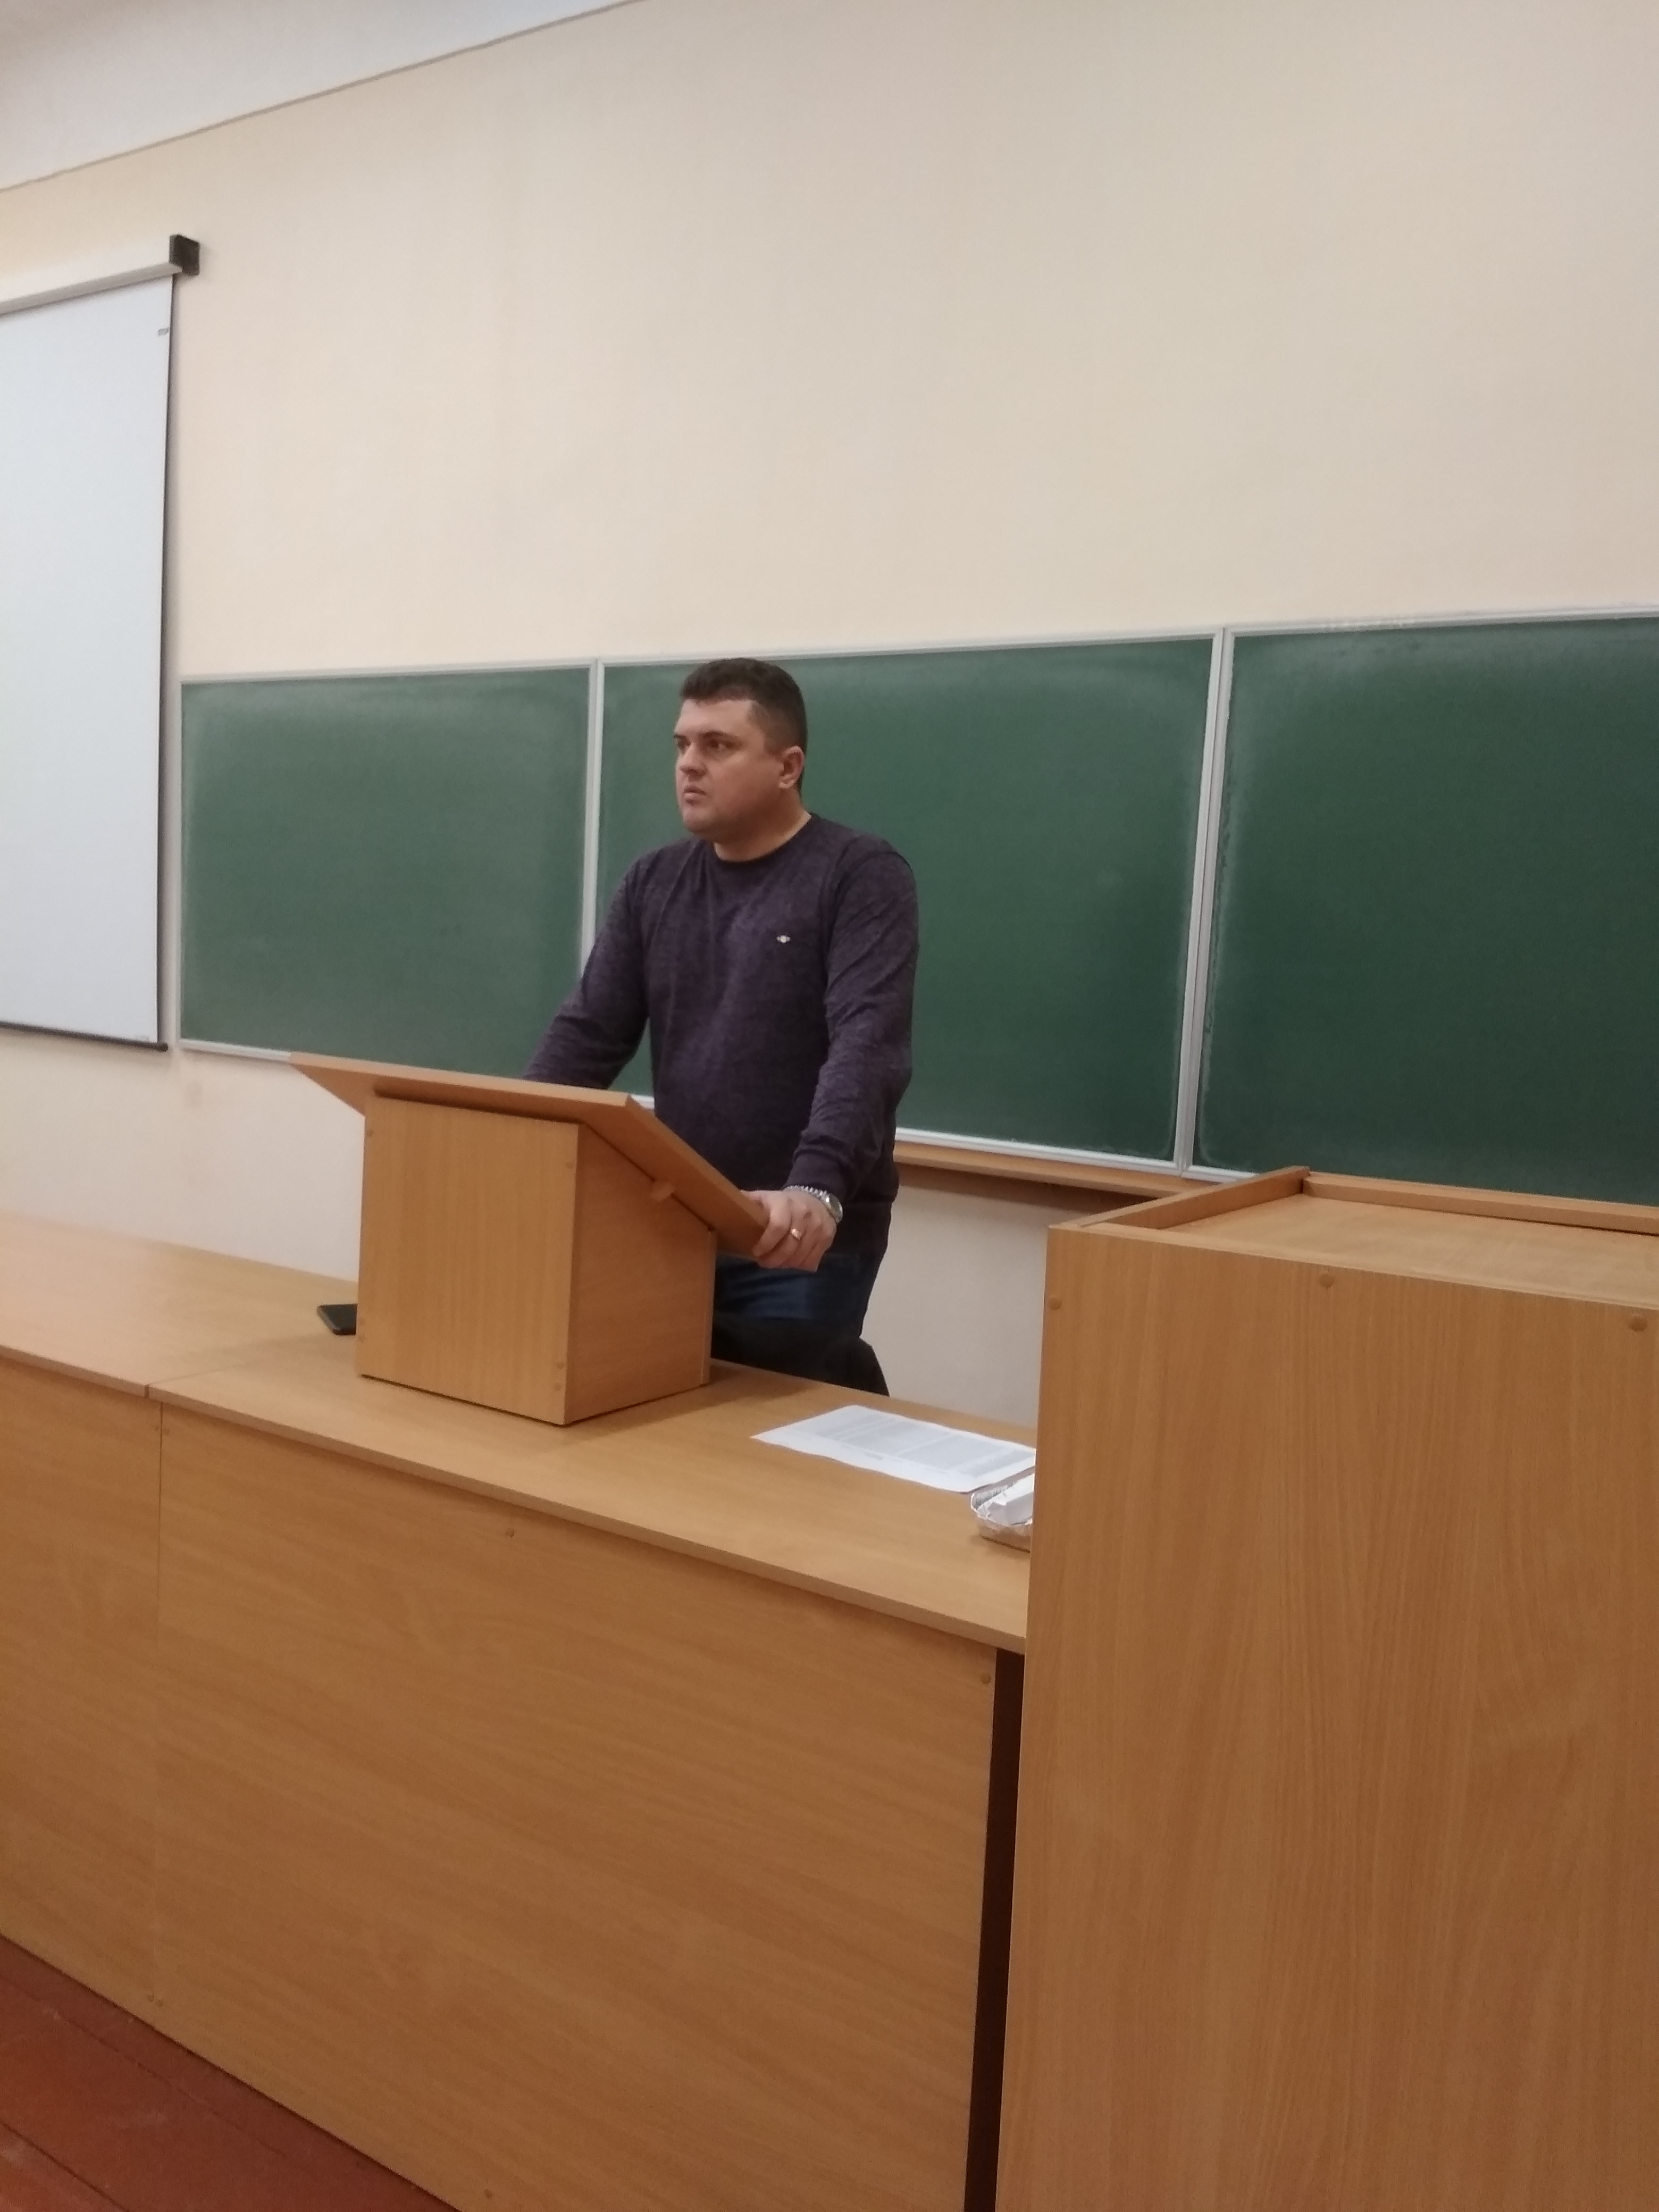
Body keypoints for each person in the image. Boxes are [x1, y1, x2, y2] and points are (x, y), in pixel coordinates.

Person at [525, 658, 917, 1340]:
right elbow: (587, 1034)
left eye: (718, 745)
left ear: (788, 767)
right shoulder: (654, 881)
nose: (689, 764)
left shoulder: (858, 874)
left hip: (794, 1237)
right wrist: (513, 1136)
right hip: (676, 1218)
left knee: (772, 1406)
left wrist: (816, 1186)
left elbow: (868, 1044)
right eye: (682, 744)